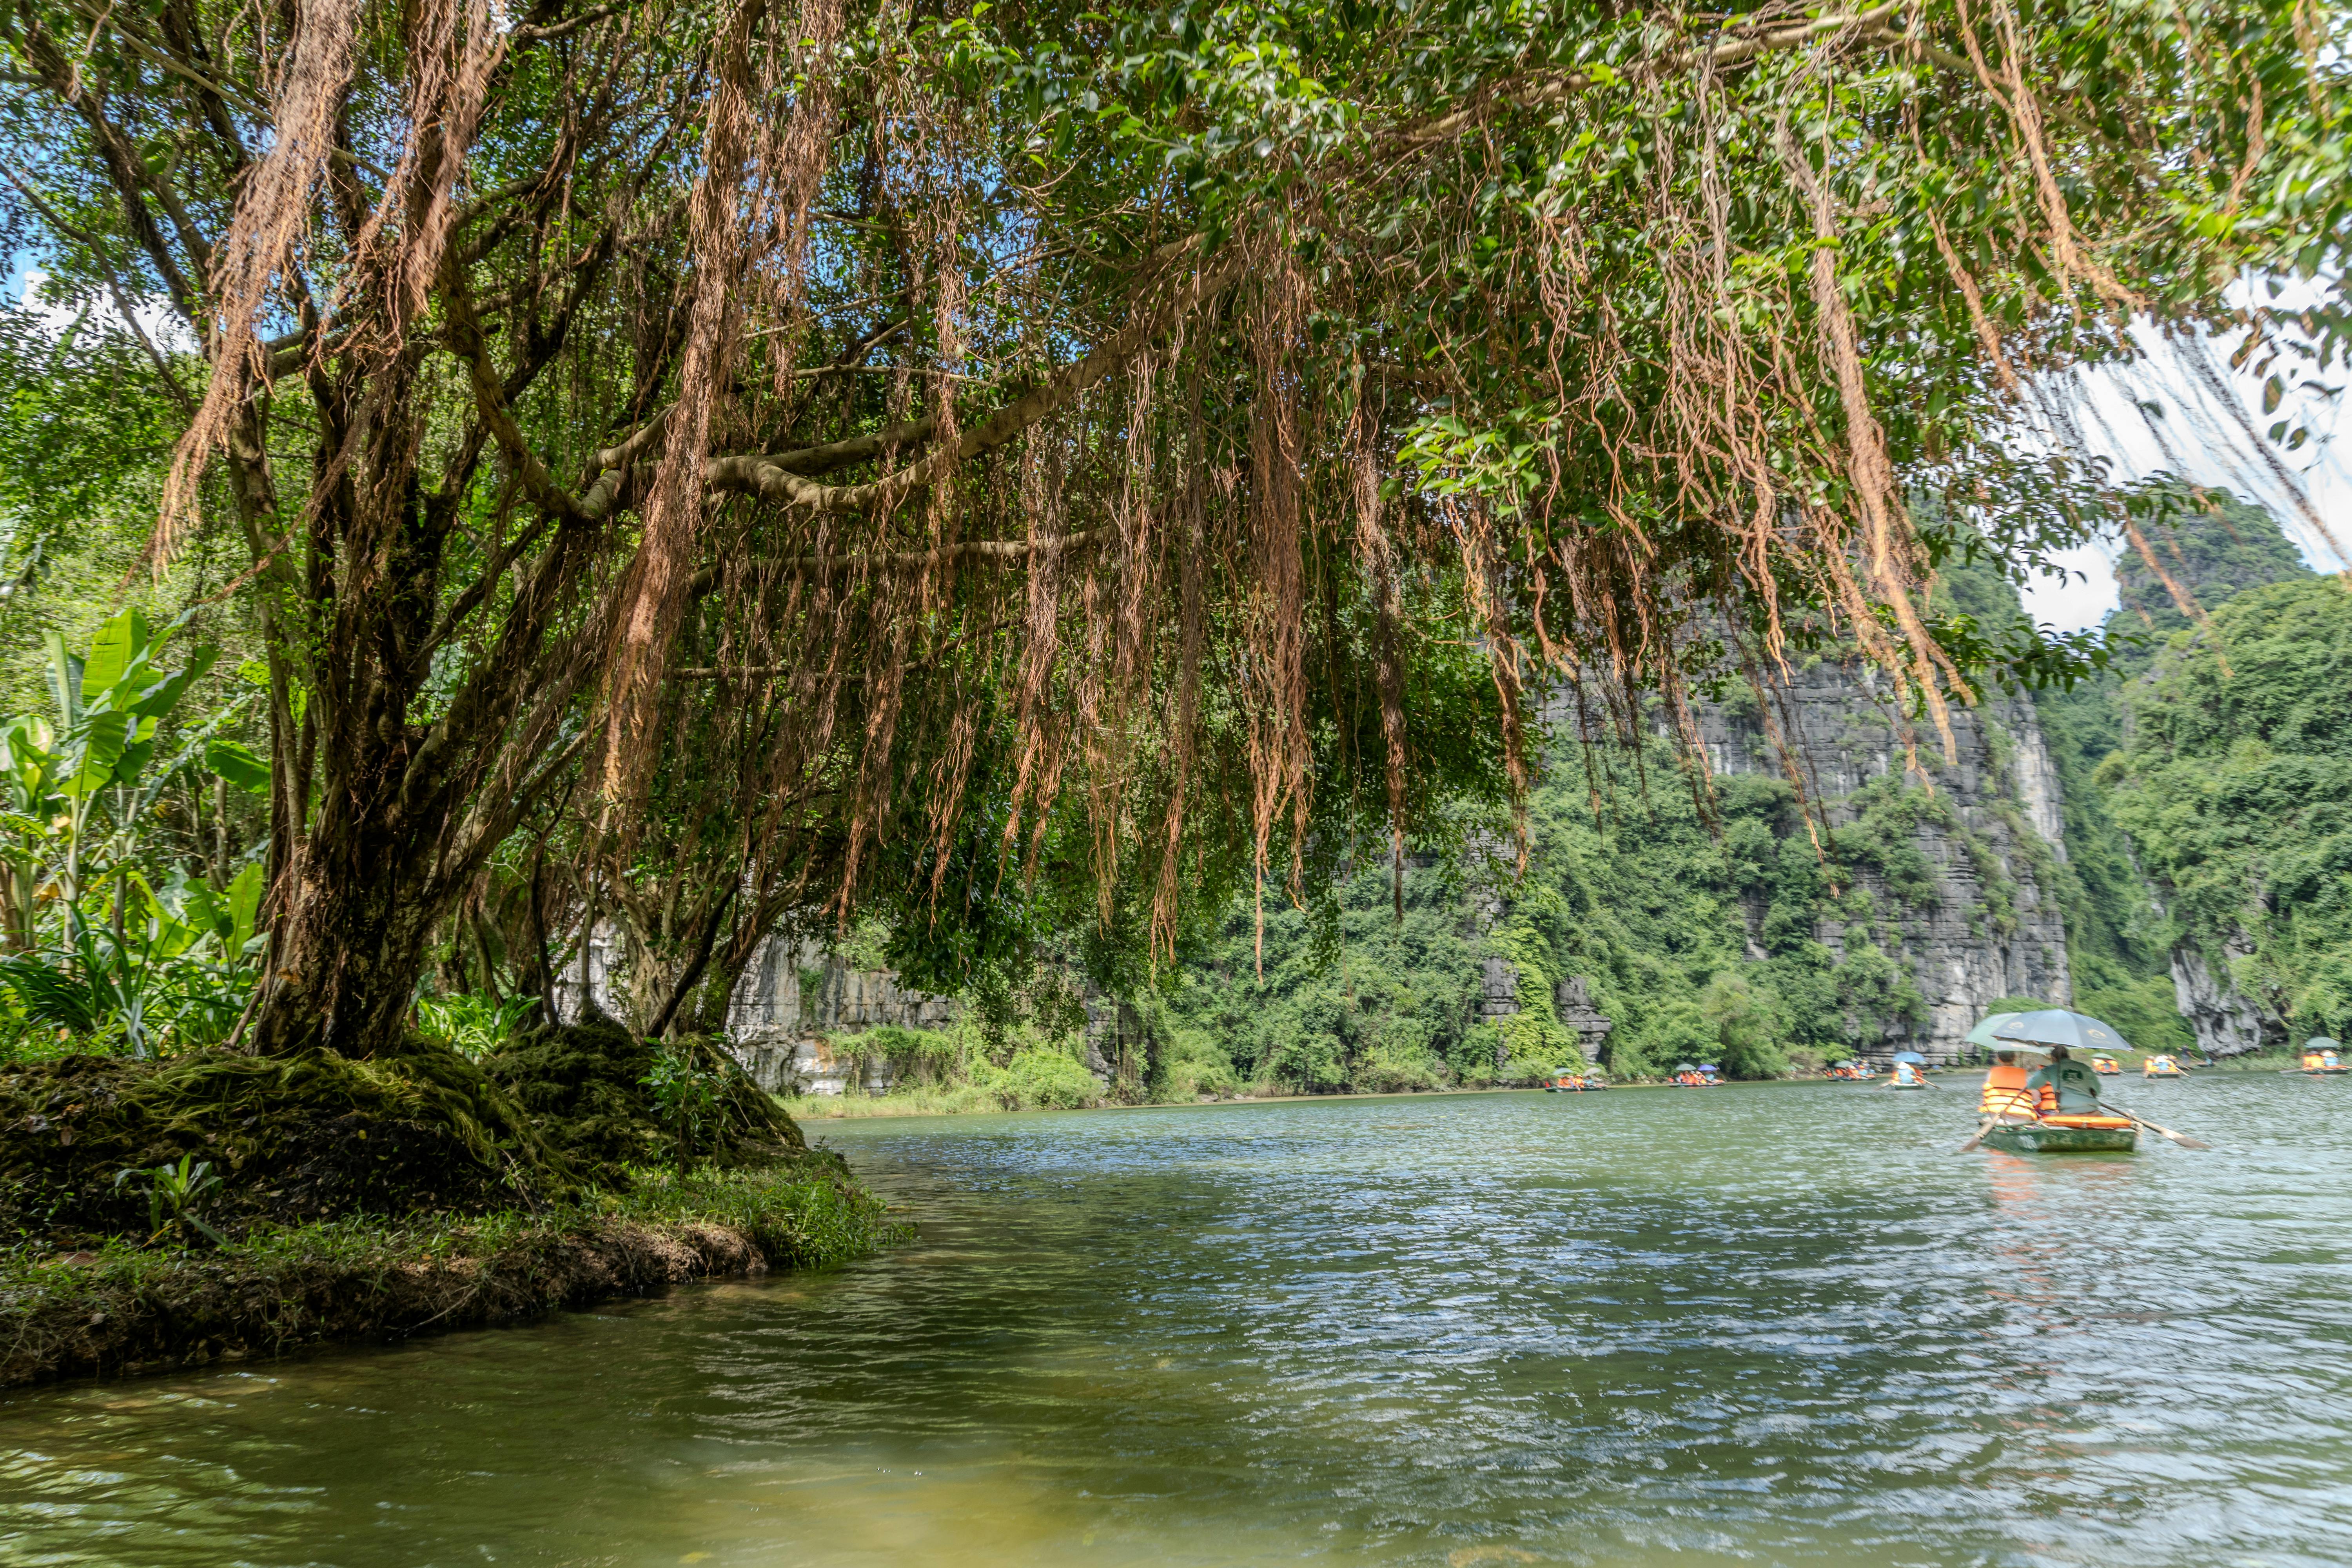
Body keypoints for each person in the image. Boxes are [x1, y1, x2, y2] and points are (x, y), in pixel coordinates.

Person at [2025, 1044, 2103, 1117]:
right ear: (2069, 1056)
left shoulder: (2050, 1069)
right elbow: (2098, 1091)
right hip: (2094, 1113)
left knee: (2046, 1121)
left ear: (2054, 1059)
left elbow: (2032, 1085)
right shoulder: (2085, 1068)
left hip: (2068, 1114)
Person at [1980, 1049, 2034, 1120]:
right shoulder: (2026, 1074)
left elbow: (1986, 1092)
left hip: (1995, 1115)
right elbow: (2035, 1098)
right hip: (2022, 1116)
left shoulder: (1991, 1073)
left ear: (1999, 1059)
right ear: (2015, 1058)